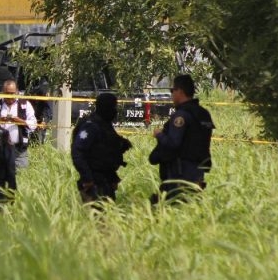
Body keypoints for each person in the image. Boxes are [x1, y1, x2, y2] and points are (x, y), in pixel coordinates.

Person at [148, 74, 215, 202]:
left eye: (172, 90)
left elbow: (173, 143)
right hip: (198, 171)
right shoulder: (203, 114)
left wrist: (159, 134)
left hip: (180, 173)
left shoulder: (182, 116)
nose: (172, 94)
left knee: (166, 208)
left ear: (180, 91)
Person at [71, 92, 133, 203]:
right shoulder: (91, 126)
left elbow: (106, 151)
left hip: (105, 180)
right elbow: (78, 151)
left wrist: (122, 144)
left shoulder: (104, 124)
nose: (115, 111)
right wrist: (87, 178)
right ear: (105, 107)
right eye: (113, 107)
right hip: (94, 183)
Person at [0, 79, 37, 171]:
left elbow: (34, 125)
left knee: (21, 178)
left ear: (17, 92)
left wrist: (20, 121)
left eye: (12, 93)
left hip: (19, 151)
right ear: (3, 92)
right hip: (0, 149)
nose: (10, 96)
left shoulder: (25, 104)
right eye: (7, 93)